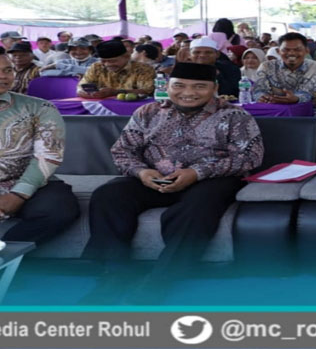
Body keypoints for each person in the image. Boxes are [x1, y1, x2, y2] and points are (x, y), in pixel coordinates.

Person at [83, 62, 263, 303]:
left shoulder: (235, 116)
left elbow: (250, 157)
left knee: (199, 207)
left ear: (215, 88)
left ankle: (163, 279)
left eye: (199, 86)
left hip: (210, 180)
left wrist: (196, 172)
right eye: (179, 86)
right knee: (109, 194)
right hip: (154, 177)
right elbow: (122, 151)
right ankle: (115, 274)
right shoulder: (147, 113)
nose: (188, 92)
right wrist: (142, 172)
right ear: (167, 87)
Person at [0, 46, 79, 244]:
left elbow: (48, 155)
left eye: (8, 70)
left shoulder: (40, 108)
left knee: (58, 210)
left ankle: (3, 257)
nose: (3, 76)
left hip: (28, 182)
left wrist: (19, 193)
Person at [253, 33, 316, 161]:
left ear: (306, 50)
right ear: (278, 51)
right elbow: (259, 89)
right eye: (286, 50)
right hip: (274, 109)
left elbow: (308, 91)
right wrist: (262, 97)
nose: (291, 53)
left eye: (297, 49)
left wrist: (296, 99)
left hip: (314, 109)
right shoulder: (266, 66)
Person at [77, 41, 155, 99]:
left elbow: (147, 91)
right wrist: (85, 92)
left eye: (113, 61)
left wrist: (115, 92)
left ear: (127, 57)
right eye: (103, 61)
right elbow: (81, 86)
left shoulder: (143, 69)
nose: (107, 64)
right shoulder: (96, 67)